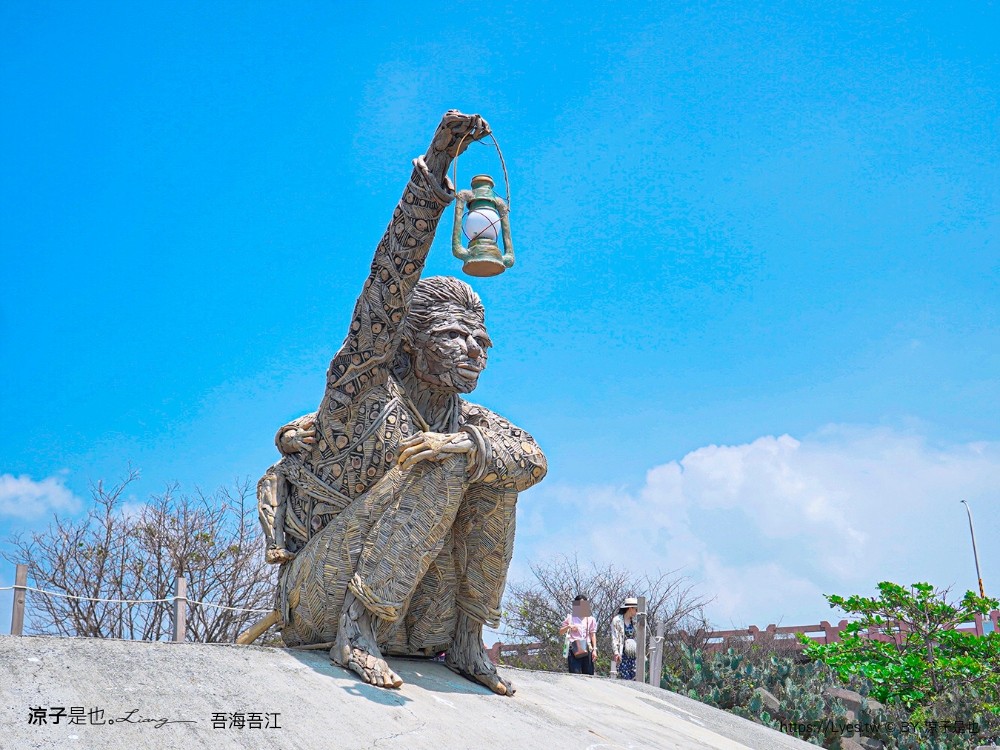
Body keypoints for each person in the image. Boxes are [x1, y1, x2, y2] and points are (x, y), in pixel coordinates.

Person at [257, 111, 547, 696]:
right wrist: (436, 169)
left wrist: (466, 444)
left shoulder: (466, 418)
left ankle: (468, 642)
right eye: (453, 337)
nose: (473, 352)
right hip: (321, 597)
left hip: (420, 616)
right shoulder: (361, 394)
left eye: (480, 342)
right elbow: (387, 283)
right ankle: (354, 636)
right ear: (409, 344)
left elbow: (535, 459)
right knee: (445, 462)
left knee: (482, 457)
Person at [559, 594, 598, 675]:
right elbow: (560, 632)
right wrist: (569, 627)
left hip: (587, 648)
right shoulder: (570, 618)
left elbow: (592, 634)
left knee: (589, 674)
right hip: (574, 648)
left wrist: (594, 649)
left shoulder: (590, 619)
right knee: (574, 674)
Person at [611, 597, 639, 680]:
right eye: (636, 609)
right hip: (622, 653)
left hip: (633, 653)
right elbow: (614, 636)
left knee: (634, 676)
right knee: (623, 676)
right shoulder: (617, 620)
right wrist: (616, 652)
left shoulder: (635, 622)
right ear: (630, 608)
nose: (636, 612)